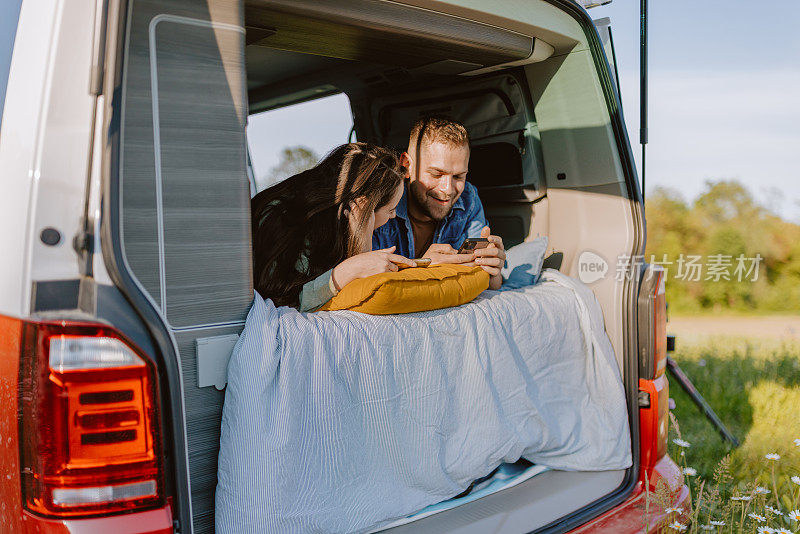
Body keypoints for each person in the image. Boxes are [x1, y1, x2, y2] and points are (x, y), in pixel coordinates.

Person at [251, 143, 414, 312]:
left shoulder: (337, 228)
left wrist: (362, 245)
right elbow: (282, 303)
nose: (394, 216)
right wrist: (347, 271)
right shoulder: (284, 220)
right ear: (365, 207)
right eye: (391, 210)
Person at [372, 116, 506, 289]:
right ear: (406, 165)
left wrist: (494, 269)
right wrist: (423, 267)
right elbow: (364, 283)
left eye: (458, 176)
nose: (448, 189)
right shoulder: (380, 202)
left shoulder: (468, 198)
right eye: (436, 174)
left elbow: (492, 285)